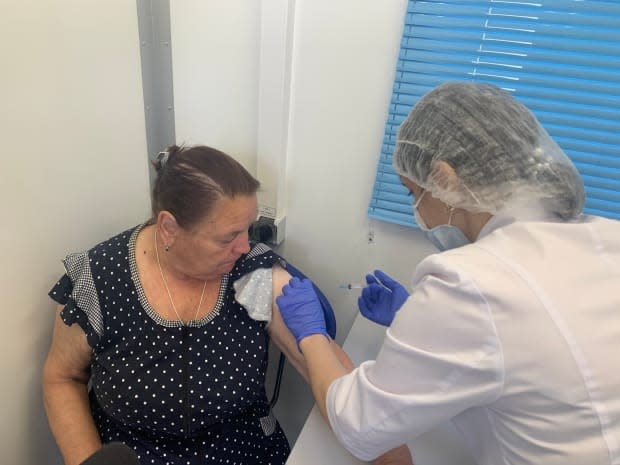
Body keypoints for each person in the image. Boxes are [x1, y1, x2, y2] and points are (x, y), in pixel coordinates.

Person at [275, 81, 620, 465]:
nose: (417, 210)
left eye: (413, 193)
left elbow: (359, 426)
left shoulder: (471, 284)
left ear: (444, 179)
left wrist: (310, 335)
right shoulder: (606, 236)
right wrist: (414, 319)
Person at [43, 144, 368, 465]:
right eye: (228, 238)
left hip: (242, 453)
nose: (244, 246)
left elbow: (329, 376)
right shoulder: (100, 281)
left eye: (248, 229)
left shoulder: (251, 276)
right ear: (169, 228)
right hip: (134, 455)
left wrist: (389, 456)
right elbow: (63, 378)